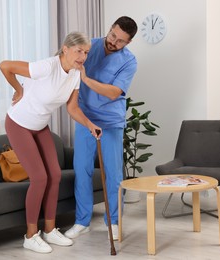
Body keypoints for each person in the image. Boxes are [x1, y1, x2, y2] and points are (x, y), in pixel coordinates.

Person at [0, 32, 102, 254]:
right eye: (79, 51)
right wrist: (19, 89)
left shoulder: (75, 74)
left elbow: (72, 108)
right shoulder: (46, 67)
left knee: (54, 175)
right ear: (65, 49)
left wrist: (89, 124)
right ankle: (30, 235)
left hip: (40, 126)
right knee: (39, 178)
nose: (83, 56)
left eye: (86, 52)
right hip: (18, 124)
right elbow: (5, 65)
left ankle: (49, 229)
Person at [65, 16, 138, 241]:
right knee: (82, 170)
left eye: (120, 41)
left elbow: (114, 92)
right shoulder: (91, 46)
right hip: (85, 120)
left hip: (110, 123)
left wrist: (85, 79)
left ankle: (114, 222)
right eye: (112, 35)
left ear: (128, 43)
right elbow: (64, 62)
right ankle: (82, 221)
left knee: (113, 174)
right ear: (110, 29)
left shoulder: (129, 61)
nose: (113, 42)